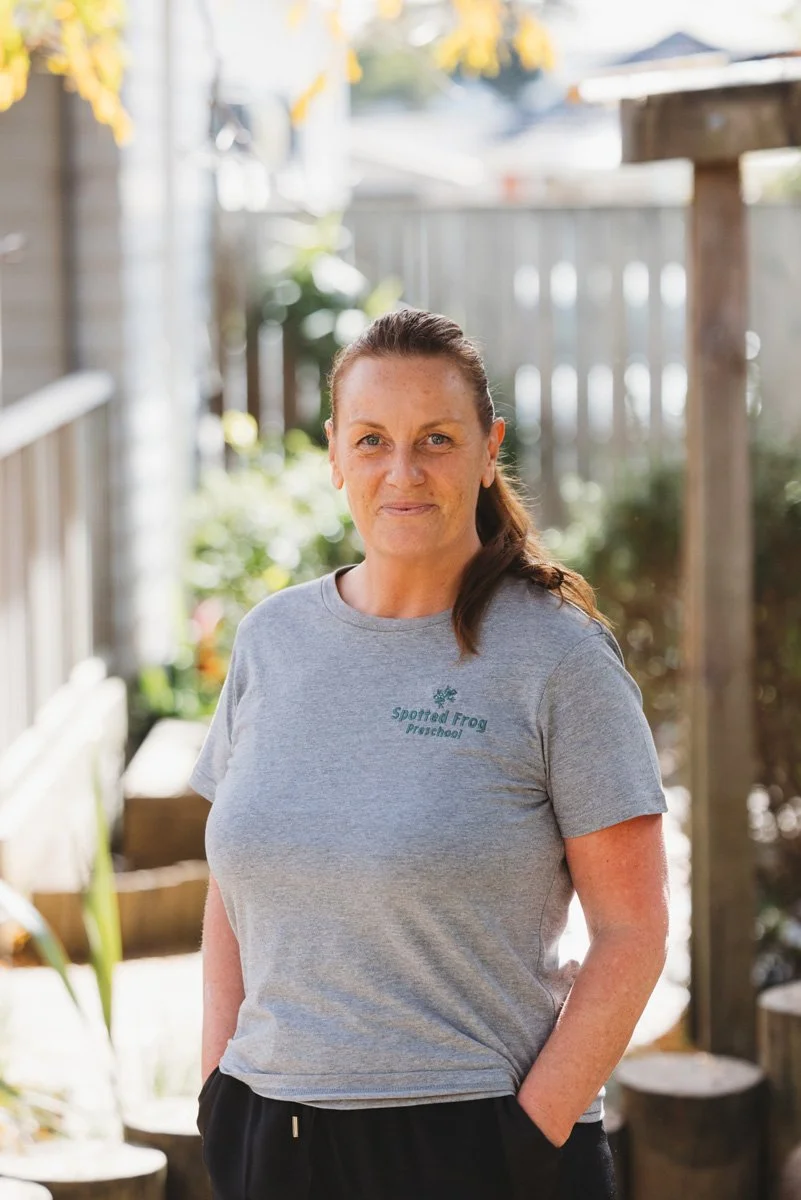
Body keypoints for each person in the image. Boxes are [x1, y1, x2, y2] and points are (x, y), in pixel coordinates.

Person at [190, 308, 670, 1200]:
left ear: (488, 451)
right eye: (371, 439)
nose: (401, 472)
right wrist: (219, 1087)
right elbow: (233, 880)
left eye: (435, 440)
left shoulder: (557, 658)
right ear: (335, 454)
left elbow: (632, 931)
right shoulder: (270, 639)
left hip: (474, 1142)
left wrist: (526, 1135)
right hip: (270, 1136)